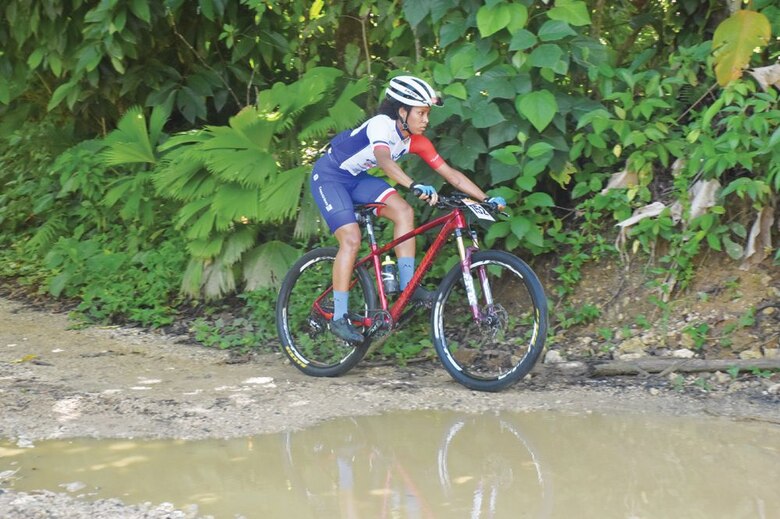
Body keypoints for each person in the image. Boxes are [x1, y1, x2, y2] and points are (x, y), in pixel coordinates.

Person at [310, 75, 506, 343]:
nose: (426, 120)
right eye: (421, 113)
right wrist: (413, 184)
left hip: (357, 179)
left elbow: (452, 174)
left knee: (404, 212)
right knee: (351, 239)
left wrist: (486, 198)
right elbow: (383, 160)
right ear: (402, 111)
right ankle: (339, 316)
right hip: (330, 176)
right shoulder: (382, 125)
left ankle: (408, 286)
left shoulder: (417, 141)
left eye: (427, 114)